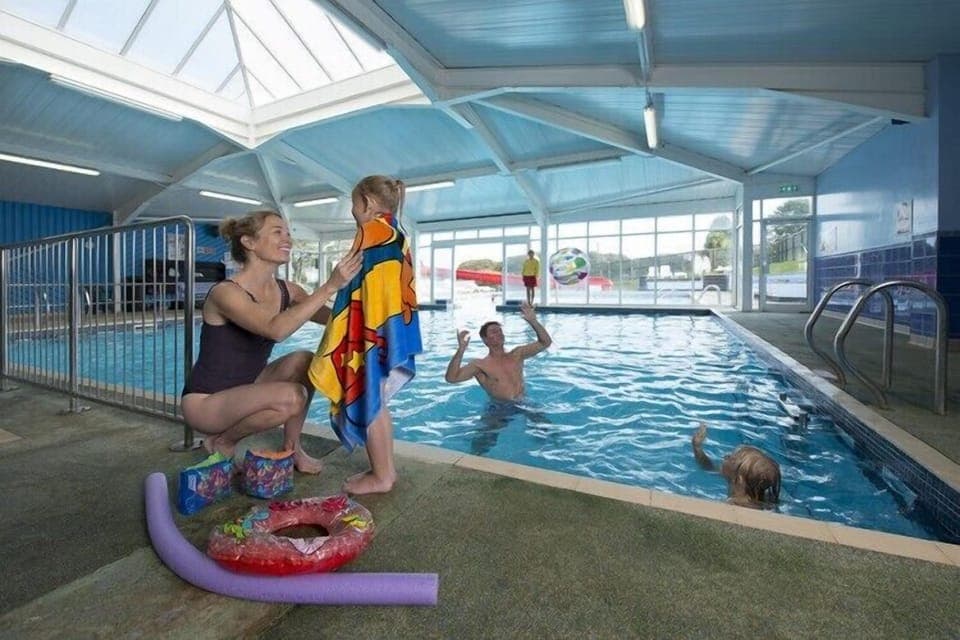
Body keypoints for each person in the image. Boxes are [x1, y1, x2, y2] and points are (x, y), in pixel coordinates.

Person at [181, 210, 362, 474]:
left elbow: (336, 318)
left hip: (249, 388)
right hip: (207, 403)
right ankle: (223, 441)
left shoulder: (287, 290)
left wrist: (363, 294)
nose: (287, 238)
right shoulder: (226, 293)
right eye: (277, 232)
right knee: (292, 397)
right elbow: (274, 330)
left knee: (304, 360)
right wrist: (329, 286)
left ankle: (292, 450)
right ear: (249, 242)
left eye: (288, 232)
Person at [309, 175, 422, 495]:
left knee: (366, 390)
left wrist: (348, 333)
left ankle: (381, 476)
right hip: (388, 330)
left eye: (354, 203)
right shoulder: (395, 231)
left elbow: (355, 289)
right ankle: (385, 470)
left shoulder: (371, 232)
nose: (352, 210)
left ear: (368, 203)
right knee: (377, 397)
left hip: (369, 333)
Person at [444, 301, 551, 402]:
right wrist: (461, 349)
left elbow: (545, 342)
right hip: (499, 409)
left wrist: (533, 321)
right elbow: (451, 378)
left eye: (500, 331)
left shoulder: (517, 354)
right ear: (485, 340)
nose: (499, 333)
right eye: (494, 332)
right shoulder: (480, 365)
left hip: (523, 403)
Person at [691, 423, 781, 508]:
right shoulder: (761, 497)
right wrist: (697, 447)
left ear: (739, 477)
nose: (727, 457)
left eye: (733, 458)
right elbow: (709, 467)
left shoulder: (734, 504)